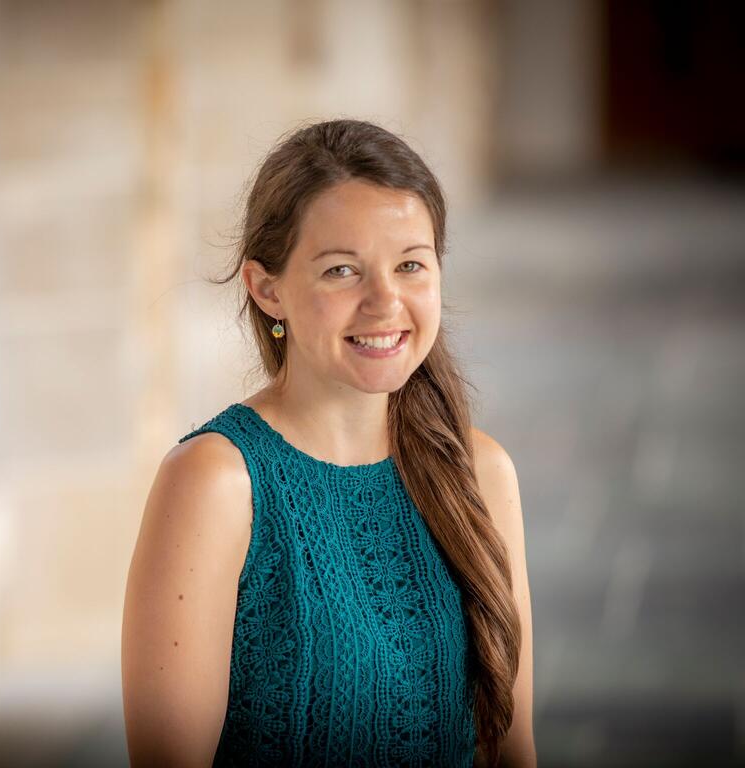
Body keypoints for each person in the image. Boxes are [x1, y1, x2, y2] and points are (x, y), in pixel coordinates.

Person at [122, 119, 536, 768]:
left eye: (410, 266)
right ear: (267, 290)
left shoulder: (481, 472)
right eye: (342, 271)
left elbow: (513, 749)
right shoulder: (216, 483)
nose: (384, 302)